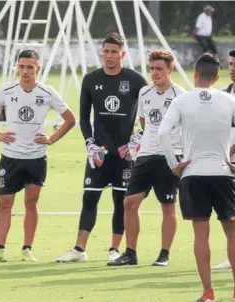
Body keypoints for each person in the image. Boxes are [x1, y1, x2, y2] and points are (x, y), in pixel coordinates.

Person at [55, 32, 148, 264]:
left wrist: (138, 139)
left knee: (121, 201)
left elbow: (151, 115)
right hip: (99, 153)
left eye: (114, 52)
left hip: (125, 154)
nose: (109, 56)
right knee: (89, 199)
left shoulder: (136, 81)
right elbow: (84, 119)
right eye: (106, 51)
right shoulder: (90, 79)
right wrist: (89, 143)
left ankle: (114, 250)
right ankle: (79, 249)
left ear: (122, 54)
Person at [0, 50, 76, 262]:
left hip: (36, 156)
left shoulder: (47, 92)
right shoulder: (7, 89)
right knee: (5, 203)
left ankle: (26, 249)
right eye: (21, 67)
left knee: (31, 203)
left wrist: (52, 138)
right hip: (10, 156)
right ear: (17, 68)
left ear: (37, 68)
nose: (25, 71)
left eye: (30, 67)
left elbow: (70, 119)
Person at [158, 52, 235, 302]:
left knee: (201, 235)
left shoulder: (182, 101)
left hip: (192, 174)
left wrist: (174, 165)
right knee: (232, 233)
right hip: (224, 174)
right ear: (217, 75)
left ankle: (208, 292)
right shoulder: (229, 100)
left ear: (195, 74)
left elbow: (162, 133)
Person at [108, 49, 186, 267]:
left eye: (159, 69)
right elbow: (144, 122)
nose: (155, 73)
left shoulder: (180, 95)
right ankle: (130, 253)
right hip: (145, 156)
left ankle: (164, 254)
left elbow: (187, 127)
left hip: (169, 157)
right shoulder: (144, 93)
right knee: (130, 202)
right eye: (152, 68)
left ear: (170, 69)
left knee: (167, 205)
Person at [211, 48, 235, 270]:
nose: (233, 69)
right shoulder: (223, 94)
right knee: (230, 213)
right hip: (227, 162)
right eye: (230, 65)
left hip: (230, 156)